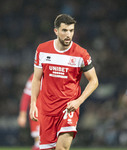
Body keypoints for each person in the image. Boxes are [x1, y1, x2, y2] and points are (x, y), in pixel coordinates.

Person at [29, 14, 99, 150]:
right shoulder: (42, 50)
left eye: (71, 31)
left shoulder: (81, 54)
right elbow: (36, 79)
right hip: (47, 110)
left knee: (62, 148)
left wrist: (79, 101)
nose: (68, 34)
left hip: (68, 108)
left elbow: (94, 81)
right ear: (56, 31)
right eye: (65, 30)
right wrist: (33, 104)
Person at [17, 73, 40, 150]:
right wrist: (22, 115)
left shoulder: (55, 73)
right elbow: (26, 95)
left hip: (53, 114)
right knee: (39, 142)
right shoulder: (35, 76)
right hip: (37, 113)